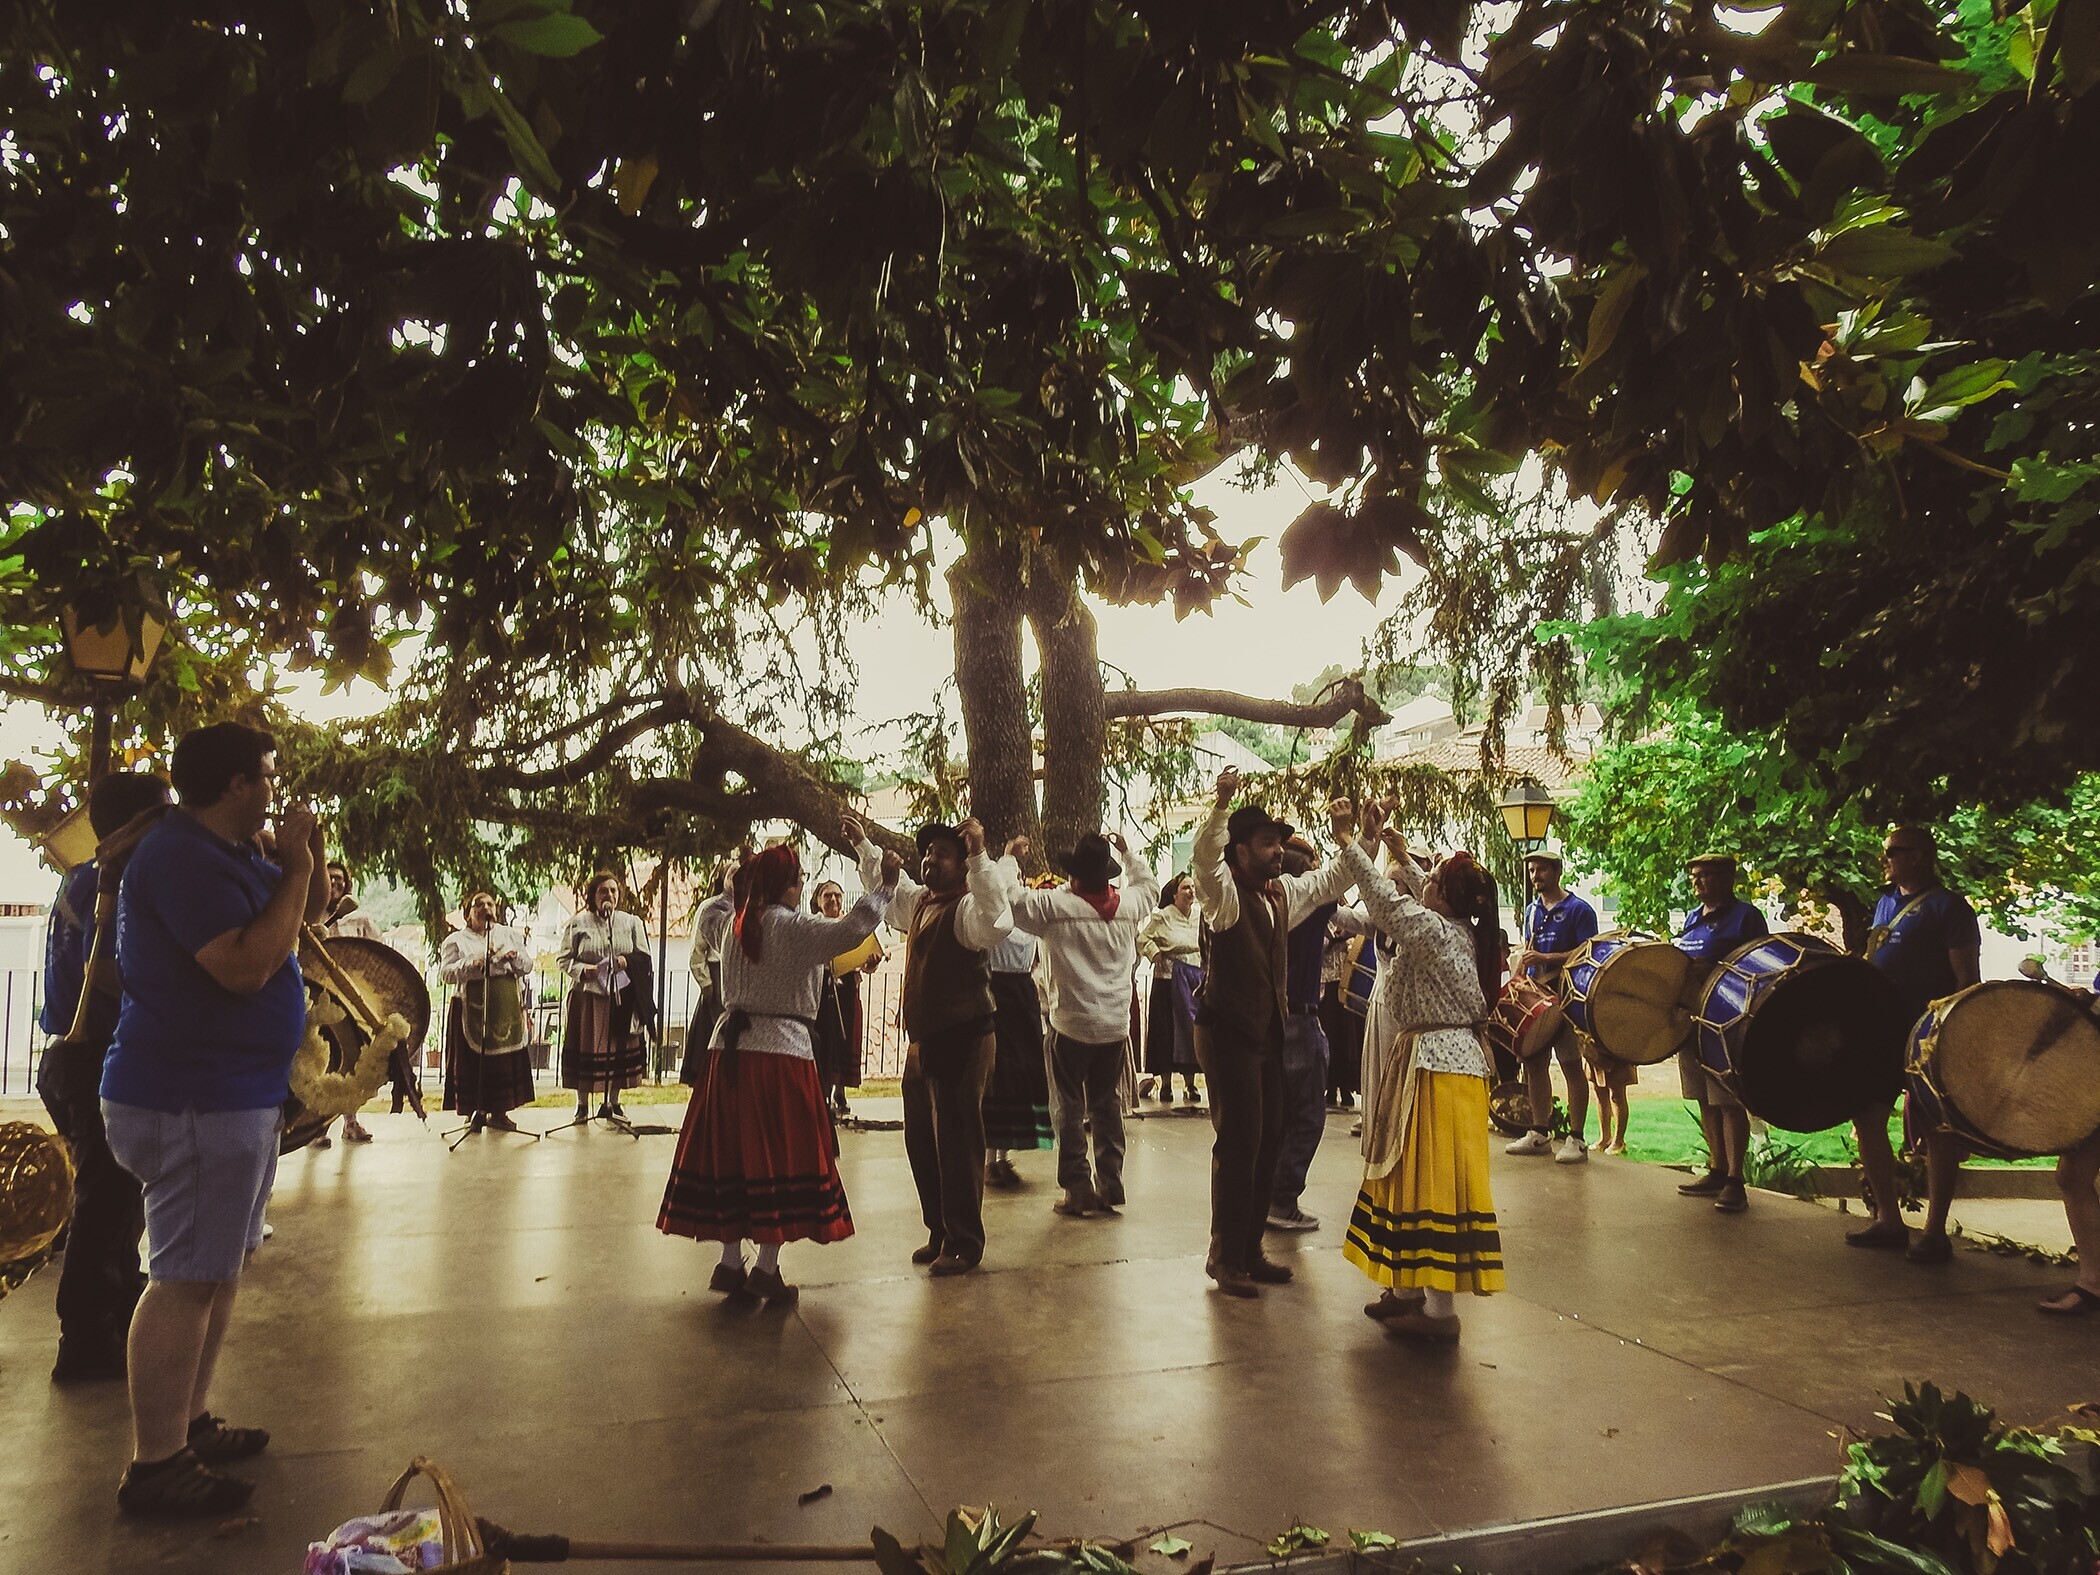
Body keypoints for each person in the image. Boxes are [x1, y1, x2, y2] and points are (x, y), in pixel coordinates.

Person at [100, 722, 324, 1516]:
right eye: (266, 774)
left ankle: (187, 1421)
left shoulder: (232, 852)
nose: (274, 786)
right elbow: (244, 964)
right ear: (235, 784)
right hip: (190, 1093)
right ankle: (156, 1463)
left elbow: (302, 915)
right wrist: (292, 865)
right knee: (184, 1278)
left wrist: (306, 860)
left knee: (214, 1270)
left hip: (234, 1091)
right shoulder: (181, 856)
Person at [657, 844, 901, 1302]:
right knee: (778, 1158)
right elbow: (853, 928)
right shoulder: (794, 929)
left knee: (732, 1155)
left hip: (727, 1054)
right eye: (798, 878)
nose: (803, 884)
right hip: (781, 1054)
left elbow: (710, 908)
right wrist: (886, 886)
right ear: (785, 886)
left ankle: (730, 1263)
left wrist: (741, 877)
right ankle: (766, 1270)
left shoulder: (732, 924)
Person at [1337, 800, 1506, 1343]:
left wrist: (1349, 846)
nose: (1421, 880)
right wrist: (1398, 853)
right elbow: (1409, 895)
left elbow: (1390, 904)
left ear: (1443, 897)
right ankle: (1408, 1294)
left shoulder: (1437, 932)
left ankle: (1438, 1315)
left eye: (1430, 878)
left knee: (1433, 1184)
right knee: (1412, 1177)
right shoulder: (1457, 930)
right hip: (1433, 1063)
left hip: (1438, 1067)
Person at [1189, 768, 1362, 1298]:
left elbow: (1331, 880)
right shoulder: (1223, 897)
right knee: (1240, 1141)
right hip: (1226, 1032)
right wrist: (1221, 804)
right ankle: (1224, 1256)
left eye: (1277, 844)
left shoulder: (1278, 894)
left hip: (1263, 1032)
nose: (1276, 852)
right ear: (1240, 851)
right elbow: (1202, 859)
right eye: (1267, 844)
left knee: (1266, 1138)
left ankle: (1249, 1251)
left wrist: (1356, 837)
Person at [36, 771, 171, 1383]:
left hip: (70, 1056)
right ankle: (87, 1337)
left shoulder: (82, 876)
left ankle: (112, 1313)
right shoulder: (108, 881)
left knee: (116, 1201)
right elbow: (113, 972)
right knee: (106, 1203)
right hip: (90, 1057)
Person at [848, 814, 1013, 1274]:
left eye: (942, 853)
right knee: (922, 1139)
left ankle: (964, 1241)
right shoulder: (923, 903)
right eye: (928, 852)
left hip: (964, 1036)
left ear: (963, 866)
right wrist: (865, 845)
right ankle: (941, 1229)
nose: (930, 859)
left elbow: (997, 919)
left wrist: (980, 853)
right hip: (924, 1042)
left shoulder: (967, 910)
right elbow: (895, 897)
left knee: (958, 1141)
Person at [999, 831, 1159, 1217]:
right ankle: (1111, 1184)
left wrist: (1008, 859)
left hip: (1070, 1023)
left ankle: (1077, 1189)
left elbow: (1010, 897)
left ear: (1073, 875)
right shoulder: (1129, 906)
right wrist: (1128, 852)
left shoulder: (1054, 906)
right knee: (1107, 1105)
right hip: (1114, 1026)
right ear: (1107, 874)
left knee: (1068, 1109)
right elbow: (1149, 886)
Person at [1848, 826, 1982, 1262]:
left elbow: (1966, 980)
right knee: (1868, 1117)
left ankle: (1935, 1232)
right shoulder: (1886, 902)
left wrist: (1951, 1035)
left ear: (1920, 856)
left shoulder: (1950, 907)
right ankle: (1889, 1219)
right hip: (1882, 1029)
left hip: (1927, 1034)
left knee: (1934, 1128)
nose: (1884, 858)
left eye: (1893, 851)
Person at [1673, 853, 1769, 1212]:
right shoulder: (1692, 918)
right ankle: (1716, 1169)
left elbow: (1759, 969)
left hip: (1726, 1023)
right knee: (1703, 1099)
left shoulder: (1747, 917)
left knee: (1727, 1101)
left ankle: (1734, 1180)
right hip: (1692, 1021)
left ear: (1727, 879)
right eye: (1695, 876)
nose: (1698, 882)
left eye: (1706, 876)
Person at [1506, 850, 1598, 1164]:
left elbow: (1588, 951)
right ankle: (1539, 1132)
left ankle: (1577, 1137)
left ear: (1557, 872)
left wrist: (1546, 959)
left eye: (1542, 870)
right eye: (1532, 871)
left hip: (1567, 997)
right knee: (1534, 1063)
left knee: (1571, 1064)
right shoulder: (1532, 909)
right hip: (1537, 998)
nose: (1535, 876)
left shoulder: (1578, 909)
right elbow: (1531, 947)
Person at [1268, 836, 1338, 1234]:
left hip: (1273, 1020)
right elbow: (1343, 875)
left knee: (1278, 1113)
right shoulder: (1310, 906)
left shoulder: (1266, 906)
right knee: (1308, 1115)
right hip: (1301, 1017)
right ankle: (1283, 1198)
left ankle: (1269, 1195)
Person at [440, 892, 536, 1133]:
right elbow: (446, 974)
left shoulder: (509, 935)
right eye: (478, 904)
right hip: (470, 1007)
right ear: (468, 913)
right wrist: (471, 963)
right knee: (473, 1061)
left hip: (505, 1007)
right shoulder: (457, 940)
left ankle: (500, 1113)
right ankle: (474, 1111)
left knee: (502, 1061)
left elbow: (527, 965)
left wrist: (514, 960)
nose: (485, 908)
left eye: (490, 904)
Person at [558, 872, 650, 1122]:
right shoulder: (578, 923)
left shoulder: (631, 923)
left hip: (621, 994)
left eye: (613, 891)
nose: (609, 895)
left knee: (616, 1048)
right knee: (586, 1045)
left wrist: (625, 961)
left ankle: (613, 1102)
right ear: (593, 896)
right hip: (588, 996)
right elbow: (563, 959)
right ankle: (582, 1104)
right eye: (603, 891)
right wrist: (581, 971)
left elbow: (644, 958)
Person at [313, 862, 384, 1142]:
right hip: (318, 999)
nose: (336, 882)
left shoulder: (359, 918)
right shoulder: (310, 913)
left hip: (352, 998)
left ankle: (351, 1122)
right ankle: (317, 1128)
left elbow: (377, 951)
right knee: (320, 1061)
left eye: (340, 879)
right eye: (329, 878)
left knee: (351, 1061)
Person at [982, 920, 1054, 1186]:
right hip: (996, 992)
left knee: (1020, 1072)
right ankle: (989, 1160)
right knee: (999, 1071)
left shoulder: (1026, 917)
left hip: (1023, 995)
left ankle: (1003, 1156)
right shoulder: (991, 914)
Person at [811, 879, 882, 1117]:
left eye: (837, 895)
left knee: (845, 1038)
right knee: (827, 1038)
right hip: (824, 990)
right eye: (827, 895)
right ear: (818, 901)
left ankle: (840, 1091)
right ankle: (824, 1092)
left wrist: (870, 963)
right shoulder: (814, 926)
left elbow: (863, 960)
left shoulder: (850, 926)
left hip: (848, 989)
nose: (833, 900)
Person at [1137, 875, 1202, 1104]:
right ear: (1175, 894)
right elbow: (1143, 938)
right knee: (1166, 1032)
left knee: (1190, 1031)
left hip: (1194, 979)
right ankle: (1165, 1084)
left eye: (1193, 887)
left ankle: (1190, 1084)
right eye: (1185, 888)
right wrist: (1155, 953)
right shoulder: (1163, 917)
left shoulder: (1199, 916)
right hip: (1168, 980)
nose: (1191, 892)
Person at [681, 858, 741, 1088]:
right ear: (724, 878)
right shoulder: (712, 908)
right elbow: (698, 948)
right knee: (715, 1031)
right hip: (717, 978)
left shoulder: (755, 907)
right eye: (732, 875)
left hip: (740, 977)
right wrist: (705, 980)